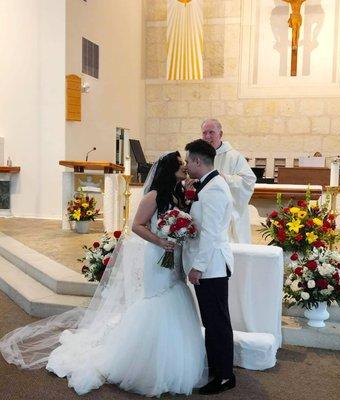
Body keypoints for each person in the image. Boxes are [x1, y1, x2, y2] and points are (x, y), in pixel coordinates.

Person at [0, 152, 206, 397]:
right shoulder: (153, 196)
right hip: (157, 256)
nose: (184, 167)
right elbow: (136, 226)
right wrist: (160, 241)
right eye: (180, 164)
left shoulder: (179, 194)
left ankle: (173, 358)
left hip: (174, 259)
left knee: (175, 294)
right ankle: (140, 362)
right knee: (156, 300)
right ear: (169, 170)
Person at [183, 139, 235, 395]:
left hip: (212, 266)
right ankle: (217, 369)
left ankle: (225, 376)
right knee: (212, 321)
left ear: (197, 161)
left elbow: (212, 233)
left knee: (217, 323)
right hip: (209, 265)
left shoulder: (214, 188)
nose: (186, 165)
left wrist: (198, 267)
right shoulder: (208, 184)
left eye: (188, 161)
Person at [201, 118, 256, 243]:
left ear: (220, 134)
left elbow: (249, 180)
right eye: (204, 133)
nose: (207, 136)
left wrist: (224, 178)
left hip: (228, 212)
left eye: (211, 132)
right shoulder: (200, 155)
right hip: (206, 211)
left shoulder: (233, 156)